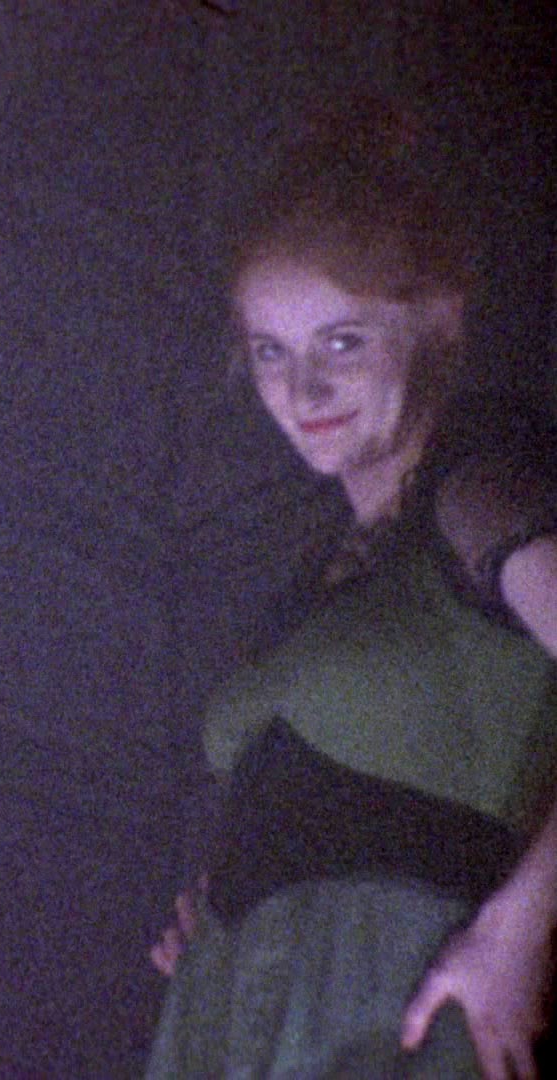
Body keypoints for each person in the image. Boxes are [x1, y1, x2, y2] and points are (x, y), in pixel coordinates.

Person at [145, 102, 557, 1078]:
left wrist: (519, 931)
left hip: (391, 991)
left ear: (434, 323)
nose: (303, 393)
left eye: (341, 343)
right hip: (231, 1006)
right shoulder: (322, 561)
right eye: (270, 352)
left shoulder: (478, 488)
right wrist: (228, 896)